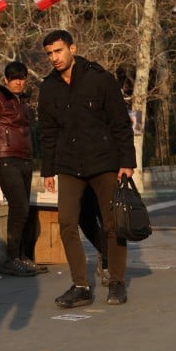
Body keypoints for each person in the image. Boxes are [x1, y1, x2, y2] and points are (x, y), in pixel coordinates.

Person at [38, 29, 136, 308]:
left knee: (112, 222)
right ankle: (80, 285)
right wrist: (47, 171)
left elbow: (120, 122)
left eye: (58, 51)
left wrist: (127, 162)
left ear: (72, 48)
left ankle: (116, 282)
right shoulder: (48, 87)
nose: (54, 58)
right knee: (67, 221)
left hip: (104, 161)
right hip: (69, 164)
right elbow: (47, 132)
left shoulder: (99, 79)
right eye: (49, 54)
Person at [0, 61, 44, 277]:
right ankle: (12, 258)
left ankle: (24, 257)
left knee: (26, 209)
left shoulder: (22, 102)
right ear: (6, 79)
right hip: (5, 159)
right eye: (15, 78)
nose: (19, 82)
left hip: (24, 159)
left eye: (22, 78)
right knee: (20, 207)